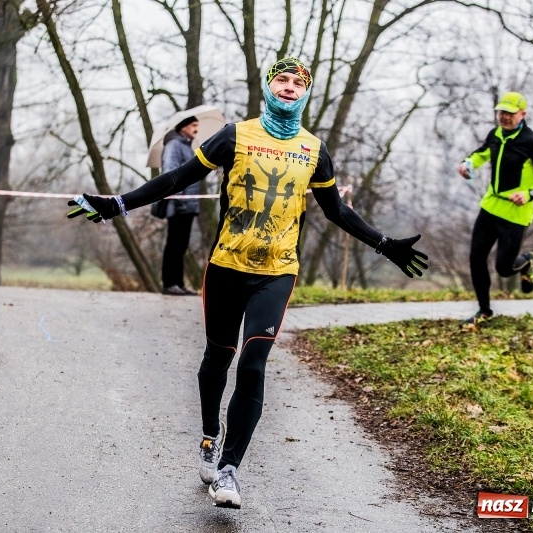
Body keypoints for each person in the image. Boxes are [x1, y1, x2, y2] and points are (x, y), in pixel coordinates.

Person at [66, 57, 428, 509]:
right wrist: (119, 203)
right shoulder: (235, 136)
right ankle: (208, 436)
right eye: (283, 79)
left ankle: (229, 469)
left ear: (306, 93)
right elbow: (178, 178)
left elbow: (336, 210)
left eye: (300, 82)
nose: (291, 86)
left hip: (277, 271)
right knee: (218, 358)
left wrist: (384, 243)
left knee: (253, 363)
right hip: (226, 267)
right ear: (268, 86)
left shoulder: (314, 150)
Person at [457, 91, 533, 325]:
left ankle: (526, 261)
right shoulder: (495, 134)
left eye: (510, 113)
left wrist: (529, 194)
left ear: (522, 114)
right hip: (490, 207)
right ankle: (484, 311)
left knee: (503, 268)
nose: (504, 117)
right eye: (501, 112)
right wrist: (468, 164)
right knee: (476, 257)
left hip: (516, 214)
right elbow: (483, 153)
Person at [160, 116, 201, 296]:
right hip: (179, 205)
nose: (196, 129)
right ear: (183, 127)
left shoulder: (187, 146)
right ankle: (170, 284)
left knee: (181, 245)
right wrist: (178, 201)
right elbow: (170, 174)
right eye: (193, 125)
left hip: (188, 204)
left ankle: (179, 283)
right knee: (174, 244)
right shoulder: (174, 146)